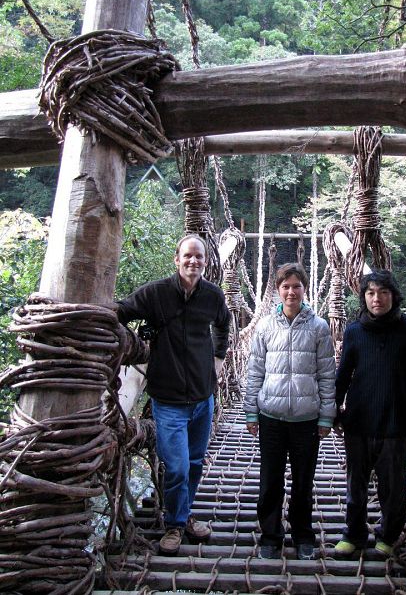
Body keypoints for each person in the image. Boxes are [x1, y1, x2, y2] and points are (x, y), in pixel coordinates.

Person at [117, 234, 230, 555]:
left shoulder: (212, 296)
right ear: (176, 259)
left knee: (194, 464)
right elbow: (120, 313)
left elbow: (224, 324)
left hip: (202, 397)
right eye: (188, 256)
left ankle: (182, 517)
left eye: (200, 257)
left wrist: (219, 358)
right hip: (167, 400)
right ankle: (175, 525)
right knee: (177, 466)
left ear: (206, 262)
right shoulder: (155, 294)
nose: (193, 261)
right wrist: (134, 344)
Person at [333, 269, 406, 558]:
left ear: (393, 296)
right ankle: (353, 535)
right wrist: (334, 410)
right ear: (364, 297)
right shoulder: (354, 331)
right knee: (356, 484)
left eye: (383, 292)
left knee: (393, 486)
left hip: (395, 421)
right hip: (359, 420)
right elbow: (344, 374)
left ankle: (388, 536)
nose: (377, 299)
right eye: (371, 293)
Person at [243, 263, 336, 560]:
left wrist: (326, 416)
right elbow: (254, 370)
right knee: (270, 480)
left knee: (303, 481)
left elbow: (327, 375)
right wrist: (250, 412)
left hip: (306, 418)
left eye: (296, 286)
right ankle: (270, 536)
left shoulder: (320, 327)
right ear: (278, 290)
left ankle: (303, 535)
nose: (291, 291)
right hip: (271, 415)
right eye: (285, 286)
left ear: (304, 289)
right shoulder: (265, 326)